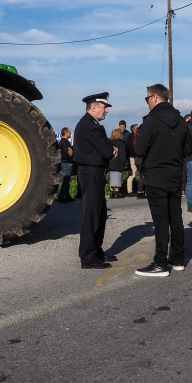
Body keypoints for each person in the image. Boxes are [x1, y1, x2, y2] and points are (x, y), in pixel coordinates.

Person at [133, 83, 191, 277]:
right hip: (175, 174)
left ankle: (160, 262)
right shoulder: (182, 121)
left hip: (156, 176)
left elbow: (139, 149)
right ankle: (178, 260)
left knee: (160, 221)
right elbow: (188, 148)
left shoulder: (152, 120)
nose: (147, 102)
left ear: (155, 98)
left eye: (147, 98)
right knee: (176, 217)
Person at [73, 92, 119, 269]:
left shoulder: (90, 124)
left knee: (99, 214)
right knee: (91, 216)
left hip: (93, 173)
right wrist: (111, 151)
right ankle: (88, 257)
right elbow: (108, 151)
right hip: (91, 173)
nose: (106, 110)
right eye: (104, 107)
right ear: (94, 107)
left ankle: (96, 251)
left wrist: (110, 149)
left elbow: (107, 149)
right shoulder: (90, 126)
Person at [109, 128, 128, 199]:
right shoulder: (121, 143)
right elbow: (123, 154)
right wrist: (126, 163)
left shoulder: (109, 142)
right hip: (118, 162)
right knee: (118, 177)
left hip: (111, 161)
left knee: (112, 176)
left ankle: (111, 192)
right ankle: (117, 193)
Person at [57, 127, 74, 203]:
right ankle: (61, 196)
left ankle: (67, 196)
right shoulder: (65, 142)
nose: (70, 133)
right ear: (66, 133)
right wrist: (71, 160)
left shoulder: (61, 142)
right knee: (66, 180)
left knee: (66, 180)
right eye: (69, 132)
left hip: (64, 162)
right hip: (66, 163)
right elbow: (66, 153)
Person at [122, 122, 138, 195]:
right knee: (132, 174)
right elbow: (131, 148)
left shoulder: (131, 136)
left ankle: (133, 188)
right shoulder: (132, 137)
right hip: (133, 156)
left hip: (132, 156)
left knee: (133, 173)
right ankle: (130, 190)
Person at [132, 124, 145, 198]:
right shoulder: (141, 139)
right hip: (141, 159)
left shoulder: (136, 138)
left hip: (137, 159)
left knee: (141, 175)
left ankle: (141, 191)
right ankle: (140, 192)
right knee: (143, 175)